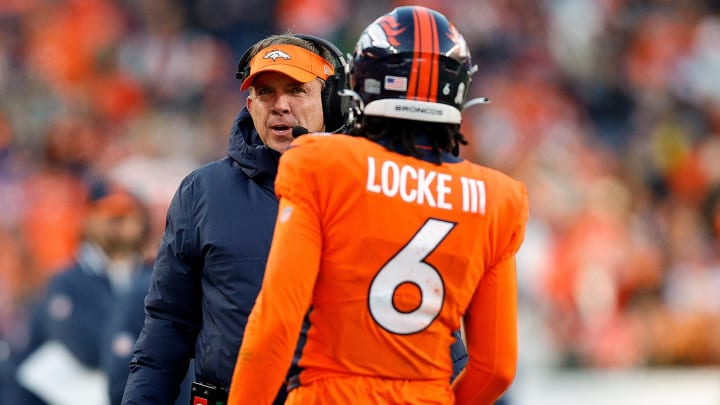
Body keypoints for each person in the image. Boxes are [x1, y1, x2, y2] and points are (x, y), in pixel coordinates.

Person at [121, 32, 467, 405]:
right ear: (250, 103)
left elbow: (428, 330)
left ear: (332, 99)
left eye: (297, 89)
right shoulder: (201, 192)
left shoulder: (379, 188)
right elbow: (166, 327)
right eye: (266, 91)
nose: (280, 105)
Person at [227, 5, 529, 405]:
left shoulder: (320, 162)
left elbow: (275, 326)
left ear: (364, 82)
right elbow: (496, 368)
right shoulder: (499, 197)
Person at [10, 180, 153, 405]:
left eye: (127, 214)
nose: (119, 223)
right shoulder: (66, 281)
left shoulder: (154, 279)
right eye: (110, 215)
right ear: (89, 218)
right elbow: (87, 348)